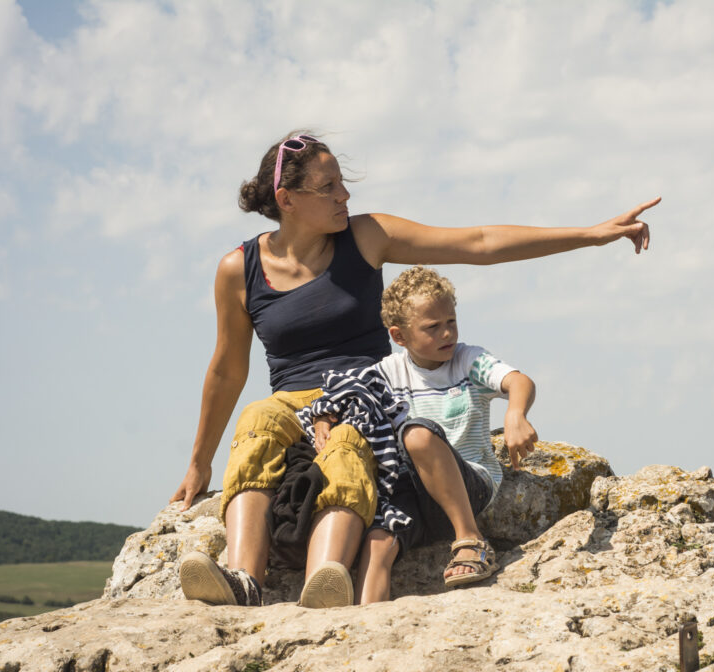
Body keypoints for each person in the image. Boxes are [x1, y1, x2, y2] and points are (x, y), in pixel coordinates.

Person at [171, 131, 659, 609]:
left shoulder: (364, 236)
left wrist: (593, 235)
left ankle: (327, 584)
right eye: (328, 188)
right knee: (257, 418)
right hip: (292, 404)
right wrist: (199, 461)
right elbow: (227, 370)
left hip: (370, 394)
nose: (344, 195)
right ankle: (244, 581)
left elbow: (479, 242)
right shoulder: (239, 267)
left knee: (348, 443)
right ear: (287, 199)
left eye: (343, 182)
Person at [307, 266, 536, 603]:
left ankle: (471, 540)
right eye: (433, 327)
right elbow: (347, 393)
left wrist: (515, 413)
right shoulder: (389, 371)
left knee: (417, 435)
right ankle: (365, 624)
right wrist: (323, 420)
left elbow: (518, 381)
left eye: (451, 322)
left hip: (468, 484)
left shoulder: (467, 360)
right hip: (412, 494)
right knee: (377, 543)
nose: (447, 334)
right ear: (399, 337)